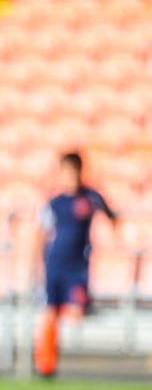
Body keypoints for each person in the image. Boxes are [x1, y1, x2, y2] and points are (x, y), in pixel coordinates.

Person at [34, 151, 116, 377]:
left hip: (77, 267)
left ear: (80, 172)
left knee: (77, 312)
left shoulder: (91, 197)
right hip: (55, 265)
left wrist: (117, 239)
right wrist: (36, 265)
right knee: (50, 312)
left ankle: (94, 364)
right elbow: (40, 233)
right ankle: (46, 366)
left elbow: (112, 217)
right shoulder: (54, 203)